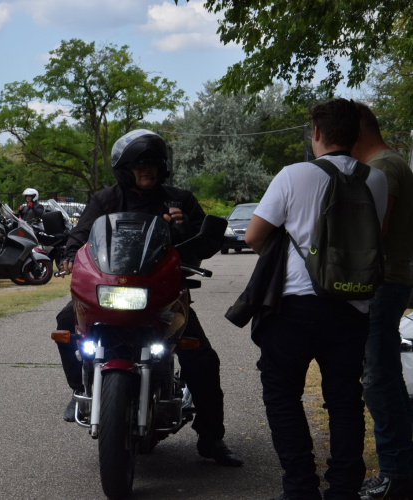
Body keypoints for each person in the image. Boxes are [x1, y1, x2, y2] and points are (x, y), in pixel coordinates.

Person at [56, 129, 243, 468]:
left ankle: (211, 437)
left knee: (201, 357)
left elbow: (207, 241)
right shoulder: (105, 201)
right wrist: (69, 254)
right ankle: (78, 389)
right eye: (140, 163)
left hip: (163, 296)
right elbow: (82, 234)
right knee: (66, 323)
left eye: (155, 162)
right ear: (125, 167)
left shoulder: (179, 200)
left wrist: (183, 228)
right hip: (111, 292)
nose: (149, 169)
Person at [245, 98, 388, 500]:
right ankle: (343, 488)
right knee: (344, 398)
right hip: (353, 307)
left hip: (294, 306)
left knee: (281, 392)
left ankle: (300, 487)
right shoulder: (376, 180)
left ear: (318, 134)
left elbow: (253, 237)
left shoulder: (294, 175)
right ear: (357, 135)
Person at [351, 103, 413, 500]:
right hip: (392, 281)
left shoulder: (384, 168)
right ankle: (400, 469)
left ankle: (395, 475)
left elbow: (377, 226)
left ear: (358, 131)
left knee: (378, 380)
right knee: (384, 376)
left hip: (385, 281)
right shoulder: (392, 163)